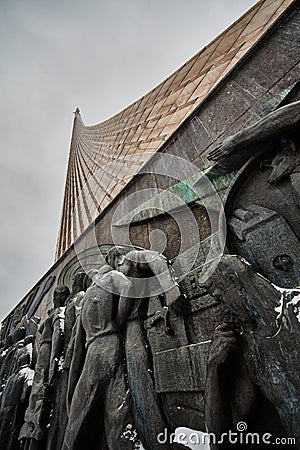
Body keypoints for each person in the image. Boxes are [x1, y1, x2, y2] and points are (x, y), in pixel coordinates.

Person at [106, 246, 184, 450]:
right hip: (132, 330)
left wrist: (171, 289)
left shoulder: (131, 257)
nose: (116, 268)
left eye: (115, 262)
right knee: (137, 381)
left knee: (141, 381)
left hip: (138, 326)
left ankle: (156, 438)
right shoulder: (123, 276)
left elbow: (155, 259)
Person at [62, 264, 135, 450]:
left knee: (79, 411)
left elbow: (78, 345)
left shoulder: (87, 296)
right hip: (112, 343)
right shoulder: (112, 277)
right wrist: (119, 318)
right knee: (117, 412)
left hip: (94, 349)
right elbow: (127, 286)